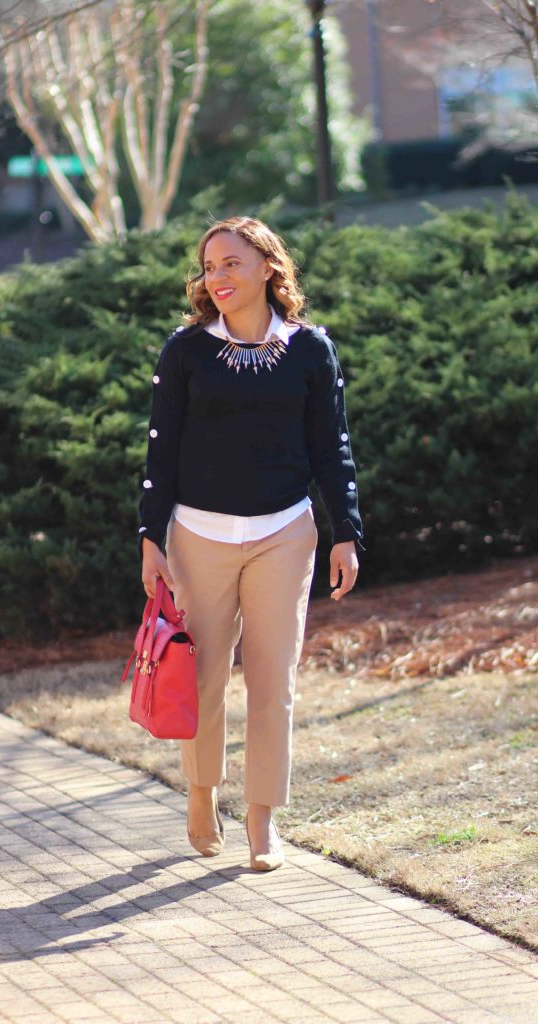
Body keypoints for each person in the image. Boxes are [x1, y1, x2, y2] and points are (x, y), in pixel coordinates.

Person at [137, 216, 364, 872]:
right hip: (197, 536)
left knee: (273, 680)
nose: (218, 277)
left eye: (231, 263)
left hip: (283, 534)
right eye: (209, 267)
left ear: (267, 266)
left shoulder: (309, 349)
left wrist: (346, 532)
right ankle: (202, 794)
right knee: (201, 677)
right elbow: (163, 445)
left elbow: (332, 446)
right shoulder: (185, 351)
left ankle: (263, 821)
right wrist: (150, 534)